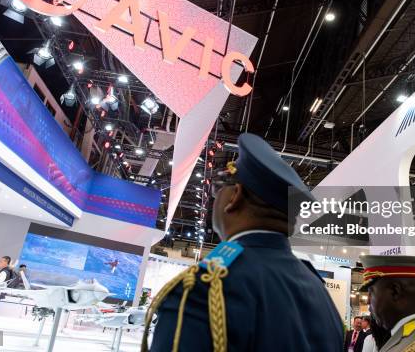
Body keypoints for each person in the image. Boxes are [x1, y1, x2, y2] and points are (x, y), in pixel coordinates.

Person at [144, 133, 344, 351]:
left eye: (218, 187)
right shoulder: (320, 296)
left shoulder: (207, 290)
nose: (214, 196)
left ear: (234, 197)